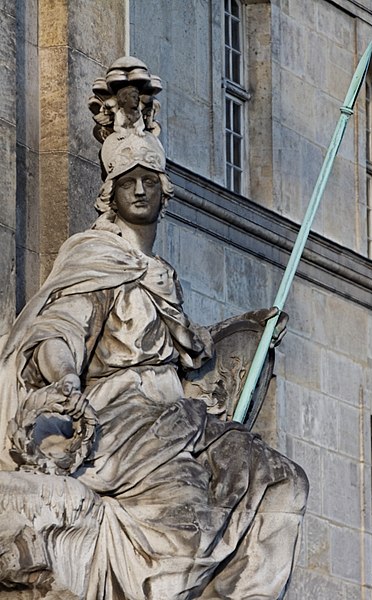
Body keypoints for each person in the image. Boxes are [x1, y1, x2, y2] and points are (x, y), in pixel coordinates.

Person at [0, 94, 308, 599]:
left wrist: (246, 335)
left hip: (181, 417)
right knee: (186, 523)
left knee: (280, 479)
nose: (140, 190)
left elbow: (193, 357)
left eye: (149, 181)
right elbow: (58, 330)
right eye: (127, 182)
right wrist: (66, 381)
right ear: (110, 193)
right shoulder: (97, 259)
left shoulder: (163, 276)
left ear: (165, 193)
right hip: (124, 420)